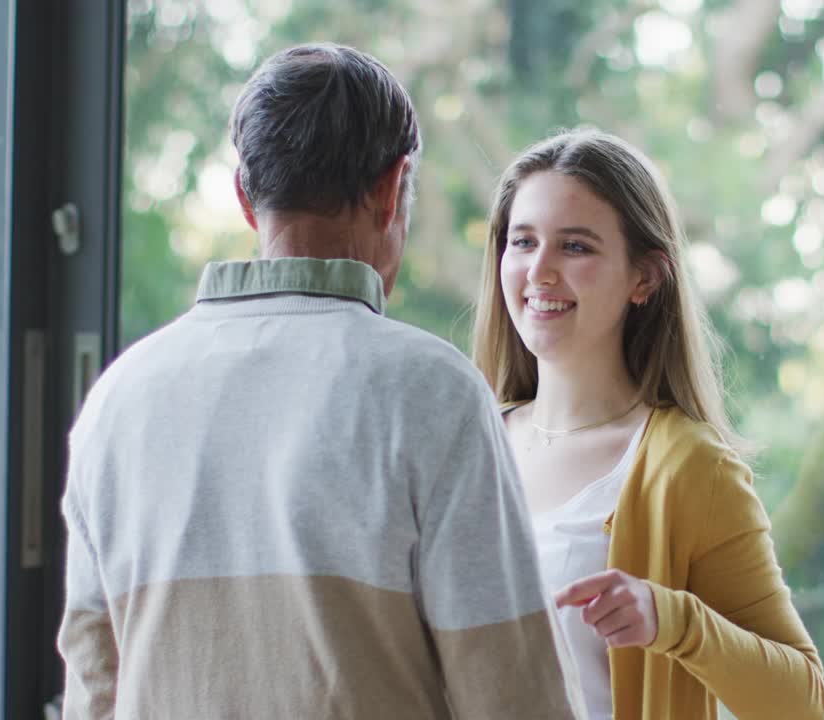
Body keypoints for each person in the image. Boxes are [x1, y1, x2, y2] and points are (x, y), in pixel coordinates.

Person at [57, 44, 585, 719]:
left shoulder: (117, 400)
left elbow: (93, 687)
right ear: (391, 188)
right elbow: (513, 695)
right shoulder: (429, 391)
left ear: (246, 196)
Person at [472, 129, 824, 720]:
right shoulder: (468, 442)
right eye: (523, 241)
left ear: (645, 278)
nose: (539, 270)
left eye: (576, 247)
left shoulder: (688, 465)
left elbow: (803, 702)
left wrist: (674, 621)